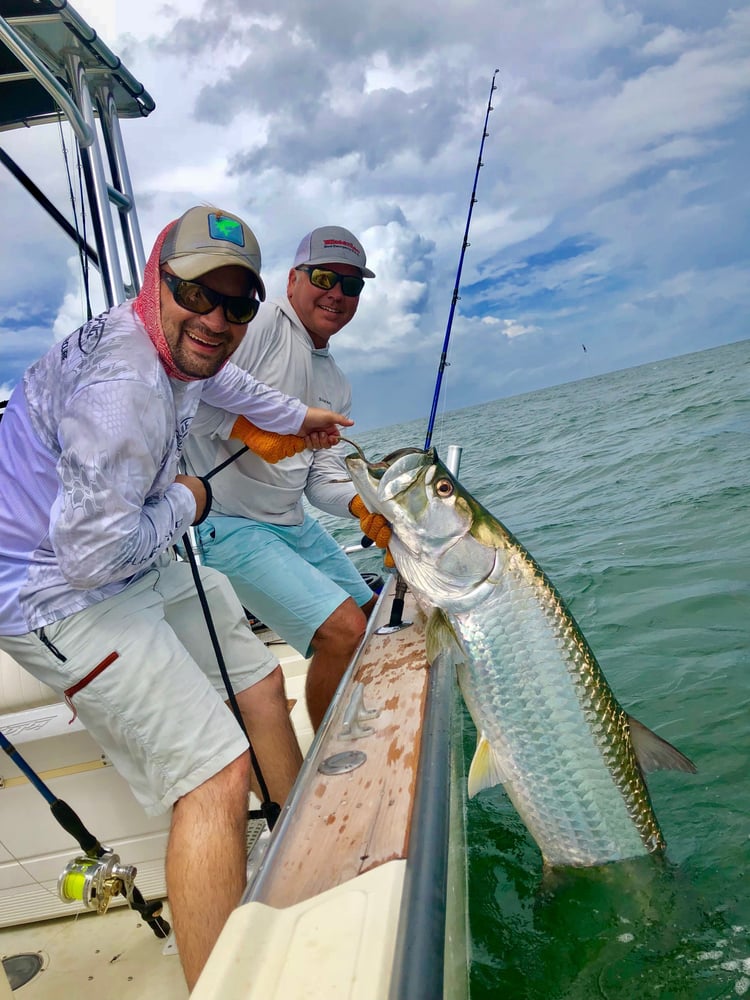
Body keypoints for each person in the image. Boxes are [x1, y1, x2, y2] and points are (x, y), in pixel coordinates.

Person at [0, 206, 353, 991]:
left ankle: (298, 868)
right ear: (156, 278)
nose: (215, 319)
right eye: (197, 294)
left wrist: (302, 419)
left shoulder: (171, 345)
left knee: (260, 681)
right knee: (215, 774)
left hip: (131, 556)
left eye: (237, 305)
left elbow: (229, 380)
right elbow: (88, 559)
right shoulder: (121, 392)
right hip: (58, 595)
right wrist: (190, 500)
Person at [184, 226, 391, 731]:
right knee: (342, 632)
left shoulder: (335, 382)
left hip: (290, 522)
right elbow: (186, 397)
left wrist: (363, 505)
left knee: (372, 612)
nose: (338, 294)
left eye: (352, 286)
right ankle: (331, 752)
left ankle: (356, 712)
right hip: (225, 524)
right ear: (294, 278)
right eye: (325, 277)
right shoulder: (256, 327)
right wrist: (248, 431)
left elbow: (320, 478)